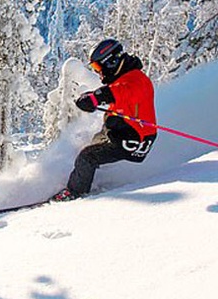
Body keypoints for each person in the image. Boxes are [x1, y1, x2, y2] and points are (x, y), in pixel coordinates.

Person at [52, 38, 157, 201]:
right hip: (119, 132)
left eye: (98, 67)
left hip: (134, 138)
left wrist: (97, 98)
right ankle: (92, 180)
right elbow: (115, 92)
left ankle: (74, 193)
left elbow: (123, 92)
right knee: (90, 145)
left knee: (87, 156)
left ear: (111, 62)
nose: (98, 72)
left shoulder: (137, 79)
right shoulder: (125, 77)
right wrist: (92, 97)